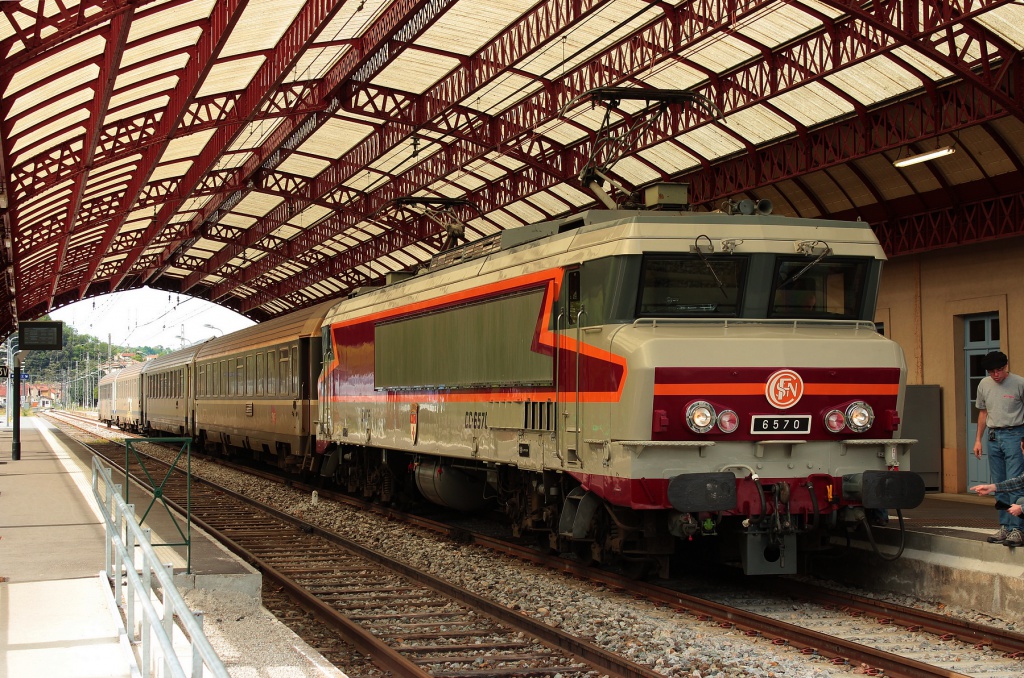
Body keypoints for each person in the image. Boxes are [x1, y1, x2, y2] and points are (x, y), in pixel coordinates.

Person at [972, 350, 1024, 546]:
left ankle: (1018, 528)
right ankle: (1005, 526)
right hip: (994, 435)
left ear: (1005, 367)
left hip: (1015, 433)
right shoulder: (984, 384)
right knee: (999, 483)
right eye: (992, 371)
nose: (996, 375)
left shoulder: (1019, 383)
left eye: (999, 370)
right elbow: (983, 412)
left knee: (1015, 482)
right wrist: (978, 439)